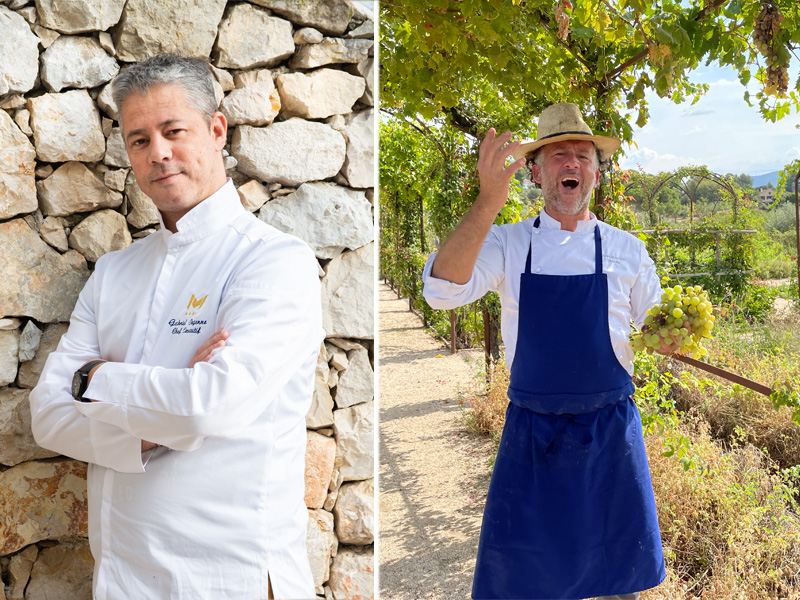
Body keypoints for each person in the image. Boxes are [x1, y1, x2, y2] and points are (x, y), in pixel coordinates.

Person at [30, 54, 322, 600]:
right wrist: (161, 423)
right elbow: (47, 417)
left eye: (173, 130)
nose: (158, 153)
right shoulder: (115, 271)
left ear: (216, 131)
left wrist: (93, 379)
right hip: (120, 580)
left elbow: (211, 406)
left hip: (228, 579)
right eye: (139, 140)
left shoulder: (274, 262)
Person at [422, 103, 667, 600]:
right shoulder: (507, 244)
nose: (572, 163)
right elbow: (441, 291)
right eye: (558, 154)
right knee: (528, 583)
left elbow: (658, 324)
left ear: (597, 173)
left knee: (618, 583)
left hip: (610, 436)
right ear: (535, 172)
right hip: (533, 437)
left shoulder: (627, 251)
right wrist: (488, 199)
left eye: (583, 154)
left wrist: (673, 335)